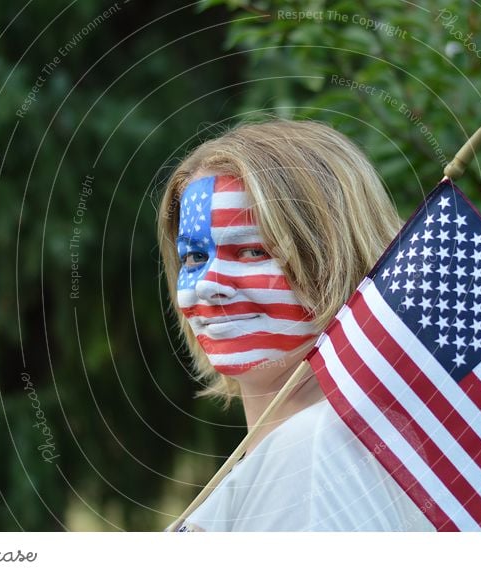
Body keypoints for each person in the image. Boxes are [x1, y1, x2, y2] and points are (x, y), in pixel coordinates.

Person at [158, 118, 434, 531]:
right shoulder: (311, 449)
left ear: (336, 262)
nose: (208, 285)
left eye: (252, 251)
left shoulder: (313, 446)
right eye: (194, 257)